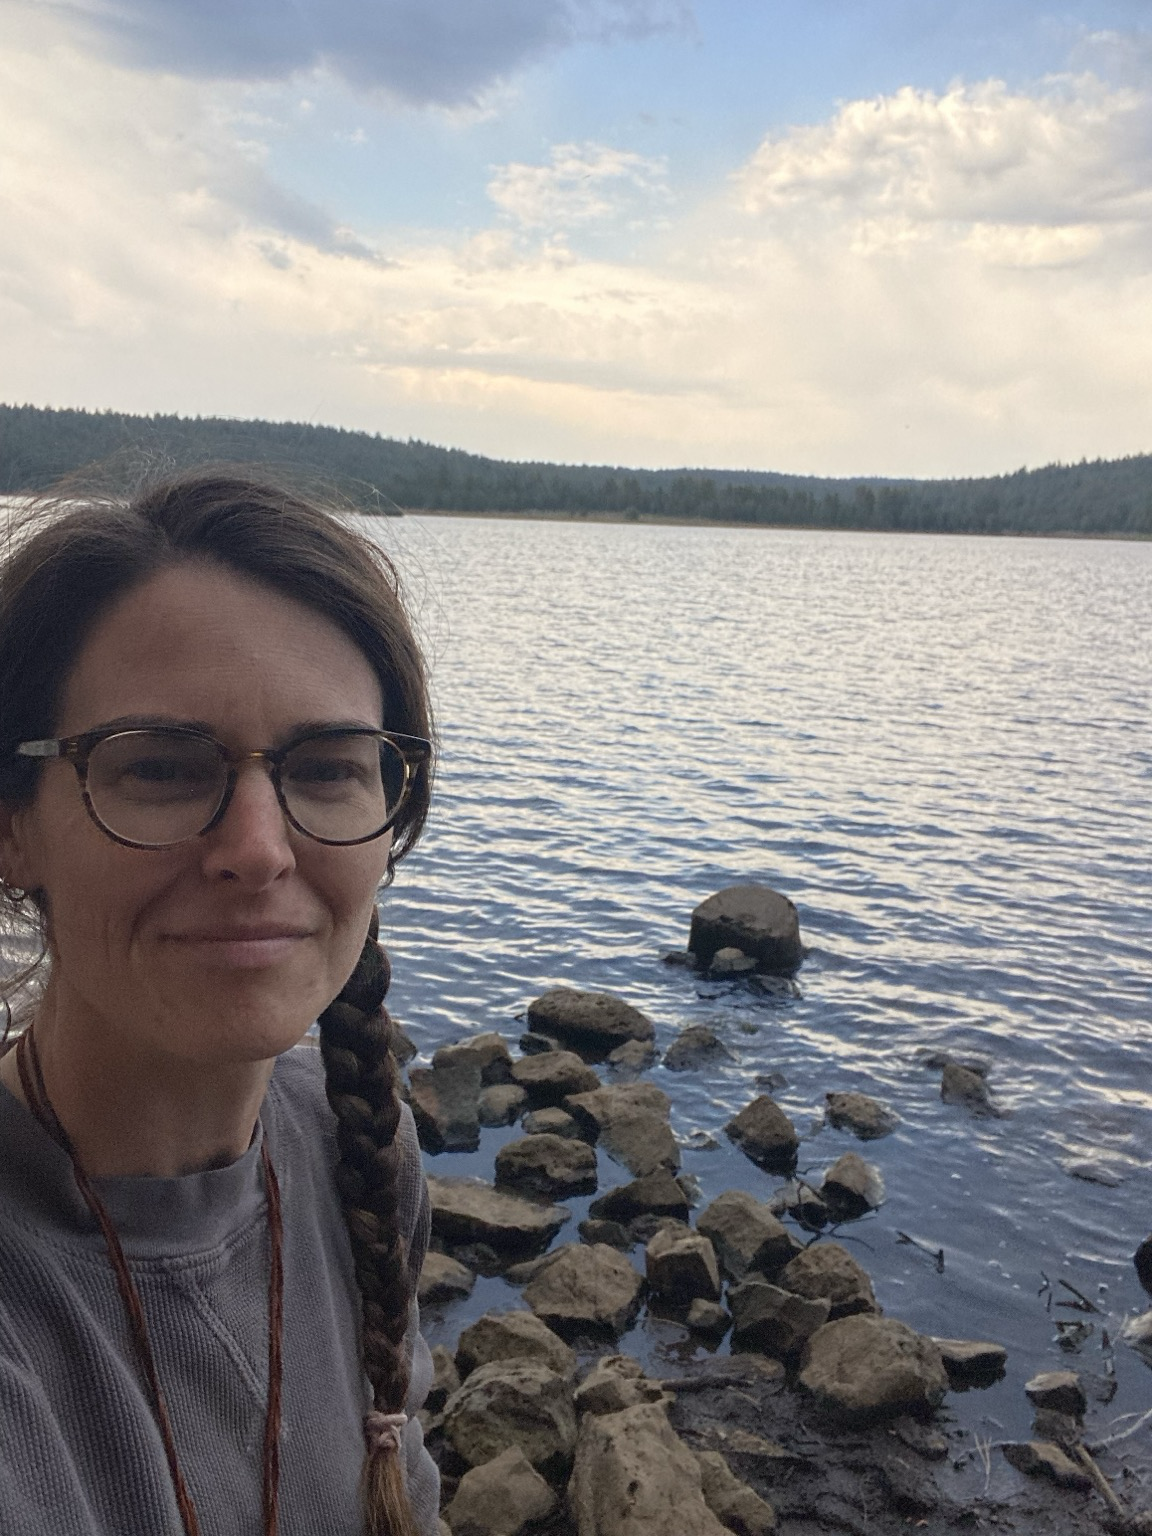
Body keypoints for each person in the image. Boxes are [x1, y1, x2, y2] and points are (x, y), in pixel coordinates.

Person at [0, 471, 441, 1536]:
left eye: (329, 768)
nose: (256, 848)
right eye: (158, 768)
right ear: (12, 827)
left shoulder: (356, 1144)